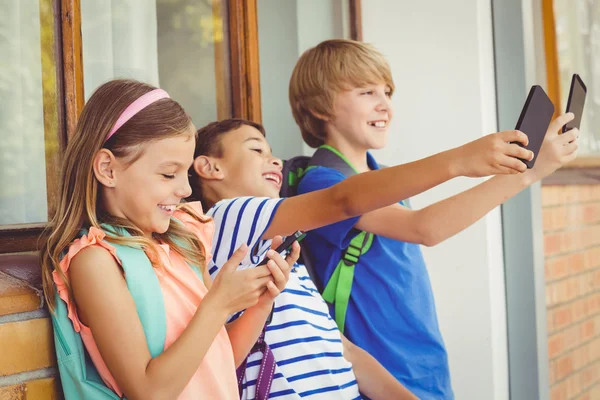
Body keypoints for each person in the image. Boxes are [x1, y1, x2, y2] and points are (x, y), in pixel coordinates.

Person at [290, 39, 579, 399]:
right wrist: (522, 174)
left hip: (425, 367)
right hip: (380, 379)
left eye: (388, 92)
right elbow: (424, 228)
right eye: (367, 92)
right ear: (320, 107)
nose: (385, 105)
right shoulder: (323, 182)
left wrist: (529, 169)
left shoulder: (383, 175)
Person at [187, 113, 541, 399]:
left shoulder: (280, 256)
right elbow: (342, 200)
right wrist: (459, 160)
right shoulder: (225, 217)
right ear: (209, 168)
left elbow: (347, 353)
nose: (274, 159)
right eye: (256, 150)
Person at [39, 79, 295, 400]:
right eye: (168, 173)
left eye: (186, 173)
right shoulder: (96, 262)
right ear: (108, 169)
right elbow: (149, 392)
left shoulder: (182, 244)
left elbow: (218, 358)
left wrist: (261, 302)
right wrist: (218, 305)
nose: (186, 190)